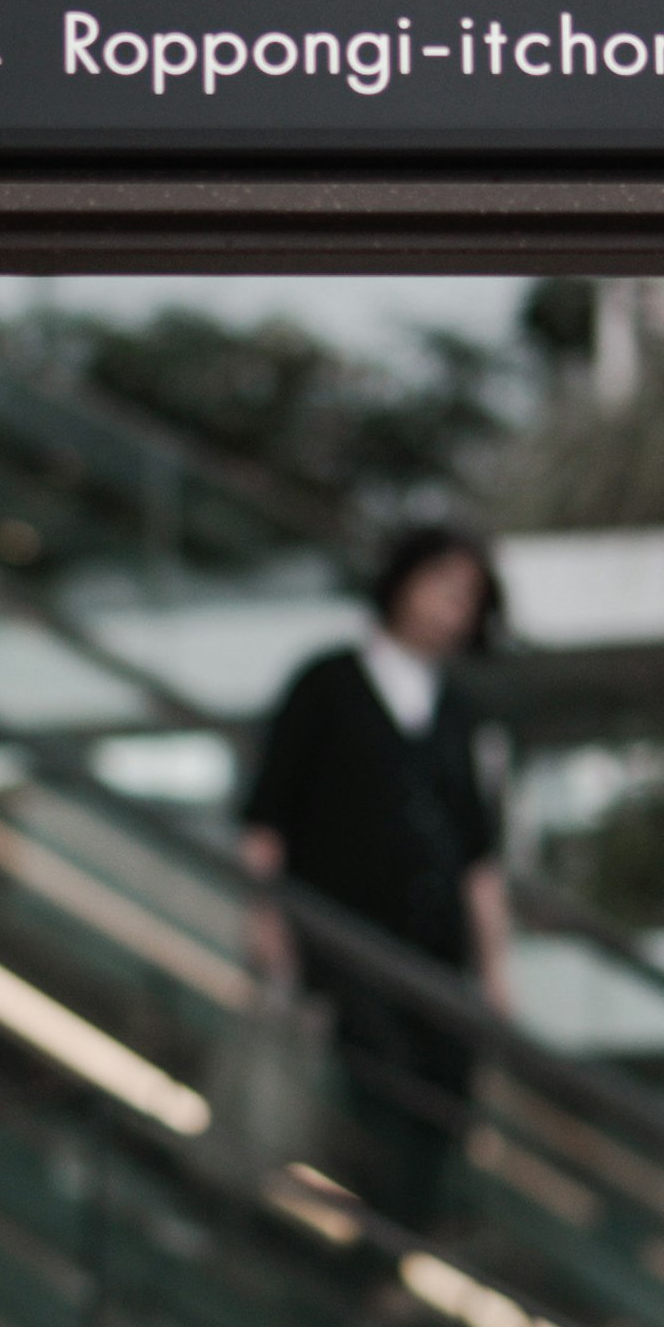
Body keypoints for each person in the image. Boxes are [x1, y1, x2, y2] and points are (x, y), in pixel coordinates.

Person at [238, 524, 514, 1241]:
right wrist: (265, 918)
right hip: (341, 935)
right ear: (402, 581)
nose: (453, 609)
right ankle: (355, 1260)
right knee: (379, 1090)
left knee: (442, 1098)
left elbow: (479, 858)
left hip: (433, 953)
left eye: (469, 599)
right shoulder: (328, 683)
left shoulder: (459, 714)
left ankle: (390, 1264)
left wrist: (496, 971)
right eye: (443, 587)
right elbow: (267, 815)